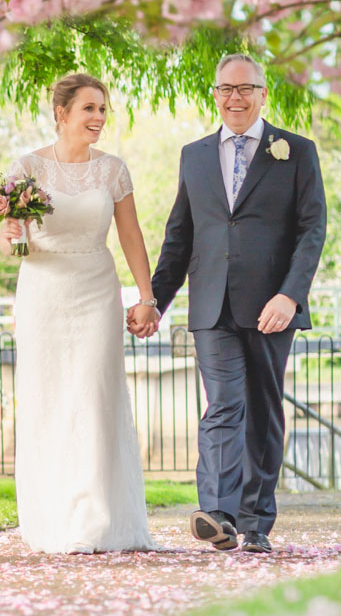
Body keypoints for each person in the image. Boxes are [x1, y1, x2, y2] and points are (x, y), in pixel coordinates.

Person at [129, 54, 326, 553]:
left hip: (272, 306)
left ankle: (256, 520)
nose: (234, 98)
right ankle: (217, 513)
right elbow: (181, 235)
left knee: (262, 409)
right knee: (224, 405)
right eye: (225, 89)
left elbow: (311, 231)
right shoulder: (194, 155)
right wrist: (155, 299)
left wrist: (290, 294)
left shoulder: (297, 151)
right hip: (210, 304)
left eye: (245, 88)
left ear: (263, 94)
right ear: (215, 94)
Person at [0, 73, 159, 553]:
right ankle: (52, 517)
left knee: (93, 396)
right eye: (89, 108)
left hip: (95, 289)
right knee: (49, 399)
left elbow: (131, 236)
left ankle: (94, 519)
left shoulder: (112, 170)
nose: (98, 118)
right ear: (61, 114)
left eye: (103, 109)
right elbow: (11, 242)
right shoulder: (26, 168)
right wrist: (11, 234)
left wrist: (146, 298)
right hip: (42, 292)